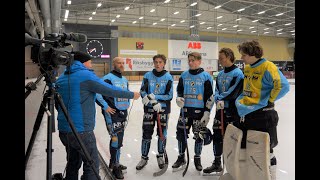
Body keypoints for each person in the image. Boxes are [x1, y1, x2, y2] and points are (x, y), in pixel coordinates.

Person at [55, 51, 140, 180]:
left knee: (73, 162)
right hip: (81, 131)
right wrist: (131, 95)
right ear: (83, 62)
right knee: (92, 164)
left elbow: (57, 104)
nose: (91, 64)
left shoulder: (61, 78)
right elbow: (109, 90)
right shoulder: (85, 75)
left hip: (64, 130)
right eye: (90, 61)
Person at [235, 40, 290, 180]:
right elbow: (246, 89)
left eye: (244, 55)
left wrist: (269, 100)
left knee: (266, 150)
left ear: (252, 54)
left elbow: (283, 86)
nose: (242, 58)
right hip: (247, 114)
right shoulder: (247, 68)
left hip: (263, 116)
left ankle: (271, 176)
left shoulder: (268, 66)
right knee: (247, 148)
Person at [203, 48, 244, 175]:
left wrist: (220, 98)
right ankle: (217, 163)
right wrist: (217, 98)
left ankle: (233, 166)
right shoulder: (219, 74)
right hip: (220, 110)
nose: (220, 60)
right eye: (219, 58)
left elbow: (234, 92)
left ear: (229, 56)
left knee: (232, 139)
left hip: (233, 111)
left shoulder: (238, 74)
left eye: (222, 58)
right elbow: (217, 90)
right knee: (217, 136)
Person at [173, 52, 214, 172]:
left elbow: (209, 96)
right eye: (189, 60)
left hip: (199, 113)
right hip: (185, 111)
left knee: (199, 136)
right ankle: (181, 158)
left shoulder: (206, 76)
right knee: (181, 135)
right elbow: (179, 90)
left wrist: (207, 112)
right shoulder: (184, 75)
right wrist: (179, 98)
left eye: (193, 60)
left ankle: (197, 159)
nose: (190, 62)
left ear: (199, 61)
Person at [135, 54, 173, 171]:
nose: (157, 64)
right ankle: (144, 158)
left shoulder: (168, 77)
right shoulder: (147, 75)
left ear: (164, 63)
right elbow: (143, 90)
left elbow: (169, 95)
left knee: (162, 135)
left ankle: (160, 156)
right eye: (156, 62)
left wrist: (155, 97)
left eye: (160, 62)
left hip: (163, 110)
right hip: (149, 110)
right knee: (146, 133)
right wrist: (145, 97)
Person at [95, 57, 131, 179]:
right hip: (112, 114)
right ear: (114, 64)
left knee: (119, 139)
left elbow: (126, 93)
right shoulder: (107, 78)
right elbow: (97, 93)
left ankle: (114, 162)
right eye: (118, 63)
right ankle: (115, 166)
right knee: (115, 139)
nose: (121, 65)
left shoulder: (125, 79)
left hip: (122, 113)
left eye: (122, 63)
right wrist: (105, 106)